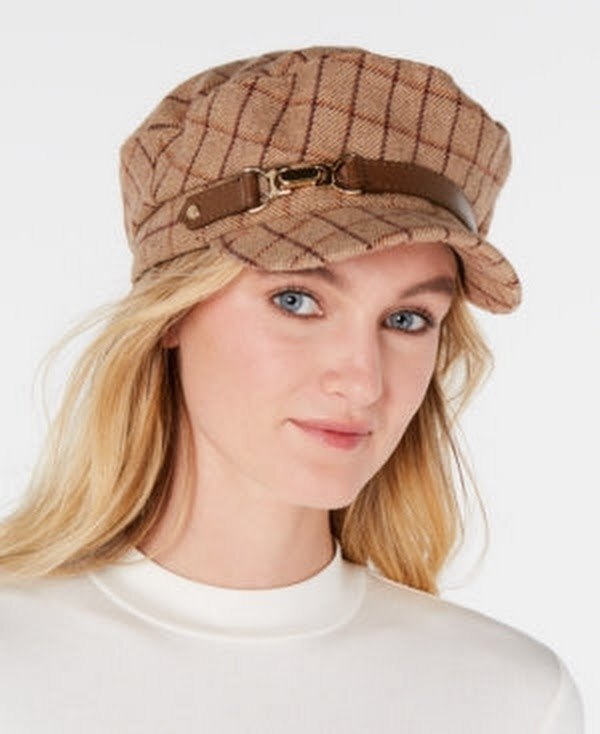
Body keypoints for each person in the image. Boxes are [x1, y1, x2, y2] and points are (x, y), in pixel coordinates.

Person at [0, 46, 584, 732]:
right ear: (172, 314)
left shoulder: (511, 700)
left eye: (407, 319)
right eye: (297, 301)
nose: (362, 380)